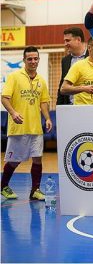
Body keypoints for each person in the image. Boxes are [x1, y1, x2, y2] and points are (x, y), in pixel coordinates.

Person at [1, 46, 53, 201]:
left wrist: (47, 118)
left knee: (38, 158)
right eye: (29, 59)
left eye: (35, 58)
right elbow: (4, 98)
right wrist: (13, 113)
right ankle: (3, 186)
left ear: (38, 60)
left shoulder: (41, 81)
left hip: (36, 128)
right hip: (19, 127)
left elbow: (43, 102)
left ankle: (35, 190)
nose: (33, 61)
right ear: (24, 60)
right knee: (14, 161)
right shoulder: (14, 77)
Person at [60, 38, 93, 105]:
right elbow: (63, 89)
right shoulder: (78, 66)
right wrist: (84, 88)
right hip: (82, 110)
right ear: (89, 48)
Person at [57, 27, 88, 105]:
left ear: (78, 40)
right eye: (64, 41)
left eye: (68, 40)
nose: (65, 44)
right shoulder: (65, 60)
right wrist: (59, 106)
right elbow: (62, 84)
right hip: (70, 106)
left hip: (90, 105)